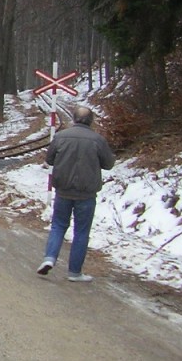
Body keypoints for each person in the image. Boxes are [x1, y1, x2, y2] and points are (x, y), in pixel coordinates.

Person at [37, 105, 115, 282]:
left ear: (73, 119)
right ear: (91, 121)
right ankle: (74, 272)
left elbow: (49, 160)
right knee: (81, 231)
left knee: (58, 225)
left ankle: (49, 258)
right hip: (86, 193)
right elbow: (108, 164)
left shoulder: (60, 137)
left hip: (63, 190)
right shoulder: (98, 140)